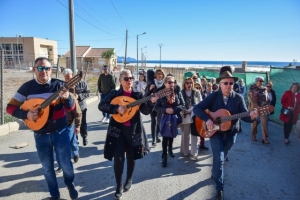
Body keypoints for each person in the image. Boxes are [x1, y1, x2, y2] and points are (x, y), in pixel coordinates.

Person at [6, 57, 78, 200]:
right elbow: (10, 107)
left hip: (60, 132)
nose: (43, 71)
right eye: (40, 68)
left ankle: (69, 183)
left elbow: (71, 108)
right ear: (34, 70)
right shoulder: (27, 88)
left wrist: (67, 97)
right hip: (40, 135)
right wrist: (25, 114)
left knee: (66, 165)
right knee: (47, 168)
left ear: (51, 70)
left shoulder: (61, 85)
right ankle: (54, 194)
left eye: (46, 68)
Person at [193, 66, 258, 200]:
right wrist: (207, 119)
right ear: (220, 84)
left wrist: (252, 116)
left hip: (231, 134)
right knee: (220, 160)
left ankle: (215, 171)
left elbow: (245, 117)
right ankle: (219, 189)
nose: (229, 85)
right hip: (215, 134)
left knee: (221, 157)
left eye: (231, 83)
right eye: (226, 83)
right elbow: (197, 108)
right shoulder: (213, 96)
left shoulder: (238, 98)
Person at [98, 69, 157, 199]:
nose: (129, 80)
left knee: (131, 157)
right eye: (126, 78)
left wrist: (152, 102)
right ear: (120, 81)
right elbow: (101, 105)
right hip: (117, 132)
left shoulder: (138, 95)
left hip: (134, 131)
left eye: (131, 78)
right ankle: (118, 185)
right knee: (118, 159)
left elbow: (146, 111)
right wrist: (115, 108)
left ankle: (129, 179)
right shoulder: (114, 94)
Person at [154, 75, 185, 167]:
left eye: (173, 82)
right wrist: (165, 110)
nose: (172, 84)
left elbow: (182, 105)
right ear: (165, 84)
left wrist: (174, 110)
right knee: (165, 137)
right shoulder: (160, 94)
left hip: (174, 118)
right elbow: (156, 107)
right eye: (170, 82)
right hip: (163, 118)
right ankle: (164, 156)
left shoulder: (177, 93)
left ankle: (170, 149)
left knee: (171, 134)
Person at [56, 92, 82, 174]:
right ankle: (61, 165)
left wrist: (77, 126)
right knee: (59, 147)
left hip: (69, 125)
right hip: (56, 126)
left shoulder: (71, 97)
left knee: (72, 142)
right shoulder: (53, 98)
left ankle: (75, 153)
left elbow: (78, 113)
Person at [64, 68, 90, 146]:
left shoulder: (82, 83)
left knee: (82, 123)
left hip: (81, 107)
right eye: (66, 78)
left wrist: (78, 96)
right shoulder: (64, 85)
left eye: (69, 77)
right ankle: (75, 139)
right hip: (70, 109)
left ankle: (84, 135)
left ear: (73, 75)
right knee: (73, 125)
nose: (68, 79)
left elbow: (88, 93)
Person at [180, 77, 202, 160]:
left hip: (195, 116)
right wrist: (184, 111)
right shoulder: (181, 93)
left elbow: (200, 103)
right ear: (184, 84)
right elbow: (179, 104)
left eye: (190, 83)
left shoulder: (197, 92)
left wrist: (191, 111)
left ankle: (194, 153)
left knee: (194, 136)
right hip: (185, 117)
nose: (189, 84)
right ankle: (185, 151)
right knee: (185, 135)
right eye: (187, 83)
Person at [145, 69, 166, 146]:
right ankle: (153, 139)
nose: (159, 75)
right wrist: (149, 89)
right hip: (152, 105)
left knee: (158, 121)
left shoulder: (165, 84)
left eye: (161, 74)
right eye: (158, 74)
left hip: (160, 105)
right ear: (155, 75)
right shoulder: (151, 82)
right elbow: (146, 94)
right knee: (154, 120)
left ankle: (156, 136)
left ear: (163, 75)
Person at [248, 76, 270, 144]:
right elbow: (250, 98)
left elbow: (267, 98)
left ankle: (264, 137)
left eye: (262, 81)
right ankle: (253, 134)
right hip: (254, 108)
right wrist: (256, 107)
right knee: (254, 122)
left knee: (264, 122)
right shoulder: (252, 88)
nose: (261, 83)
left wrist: (268, 104)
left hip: (263, 108)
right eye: (260, 81)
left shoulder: (264, 89)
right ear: (256, 81)